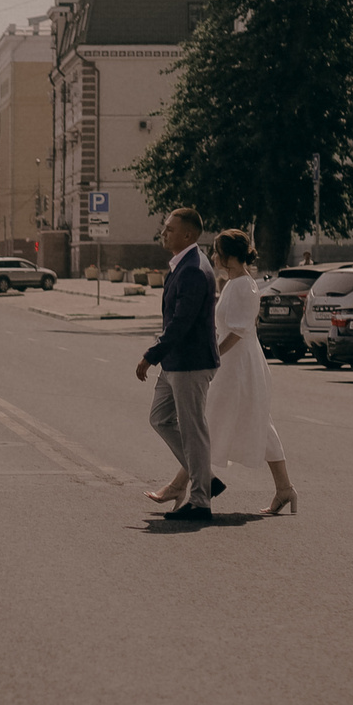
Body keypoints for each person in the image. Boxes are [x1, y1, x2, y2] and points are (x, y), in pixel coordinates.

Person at [202, 230, 297, 515]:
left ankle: (183, 484)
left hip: (239, 366)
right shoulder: (234, 283)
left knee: (210, 420)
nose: (214, 257)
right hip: (236, 363)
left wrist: (213, 356)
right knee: (254, 423)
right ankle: (285, 489)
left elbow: (239, 331)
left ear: (229, 255)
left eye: (217, 252)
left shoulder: (244, 286)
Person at [135, 208, 221, 519]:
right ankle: (206, 478)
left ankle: (201, 502)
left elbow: (182, 323)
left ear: (187, 235)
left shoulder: (193, 270)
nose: (164, 232)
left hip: (191, 363)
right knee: (159, 418)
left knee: (193, 429)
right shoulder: (181, 265)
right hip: (175, 363)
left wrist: (151, 354)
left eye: (170, 229)